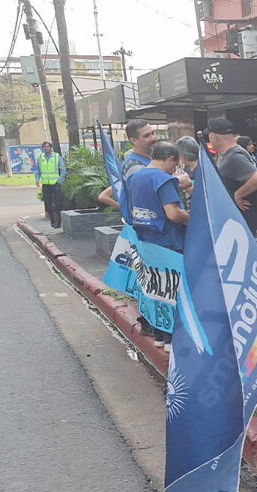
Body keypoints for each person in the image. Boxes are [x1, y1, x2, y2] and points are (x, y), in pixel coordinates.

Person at [126, 141, 189, 350]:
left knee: (155, 290)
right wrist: (191, 217)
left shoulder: (135, 177)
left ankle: (160, 336)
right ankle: (172, 338)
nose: (175, 169)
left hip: (145, 243)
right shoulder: (163, 179)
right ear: (170, 159)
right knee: (172, 290)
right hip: (167, 242)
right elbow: (172, 214)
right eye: (175, 164)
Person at [98, 118, 159, 209]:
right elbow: (154, 189)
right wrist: (124, 208)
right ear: (134, 140)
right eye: (146, 136)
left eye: (153, 133)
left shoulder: (156, 158)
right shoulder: (133, 166)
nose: (153, 138)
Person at [34, 141, 66, 228]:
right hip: (46, 184)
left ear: (51, 147)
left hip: (55, 184)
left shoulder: (56, 157)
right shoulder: (40, 158)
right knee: (47, 204)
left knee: (58, 204)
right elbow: (37, 170)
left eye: (48, 146)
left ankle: (58, 223)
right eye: (44, 147)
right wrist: (37, 179)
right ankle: (52, 221)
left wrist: (59, 181)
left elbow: (63, 170)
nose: (46, 148)